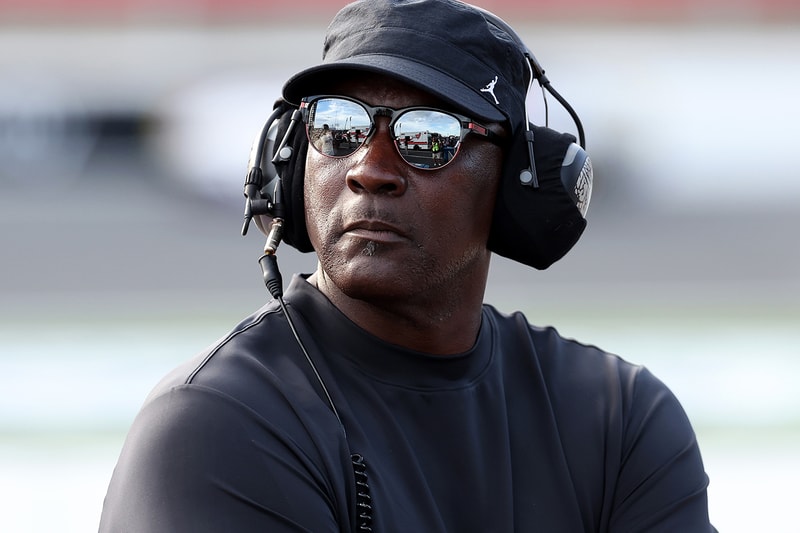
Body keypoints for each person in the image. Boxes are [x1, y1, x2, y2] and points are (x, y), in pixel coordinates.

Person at [99, 1, 716, 531]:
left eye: (428, 136)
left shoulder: (619, 418)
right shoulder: (216, 422)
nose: (369, 169)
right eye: (338, 125)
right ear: (289, 163)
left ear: (516, 185)